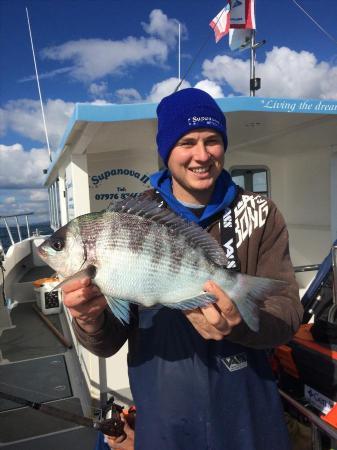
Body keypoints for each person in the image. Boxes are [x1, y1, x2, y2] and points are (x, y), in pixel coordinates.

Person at [62, 88, 303, 450]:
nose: (201, 155)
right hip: (165, 406)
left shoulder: (261, 213)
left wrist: (238, 325)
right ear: (166, 150)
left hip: (246, 403)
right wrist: (89, 319)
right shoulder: (131, 214)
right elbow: (108, 342)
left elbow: (287, 311)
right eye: (187, 142)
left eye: (212, 140)